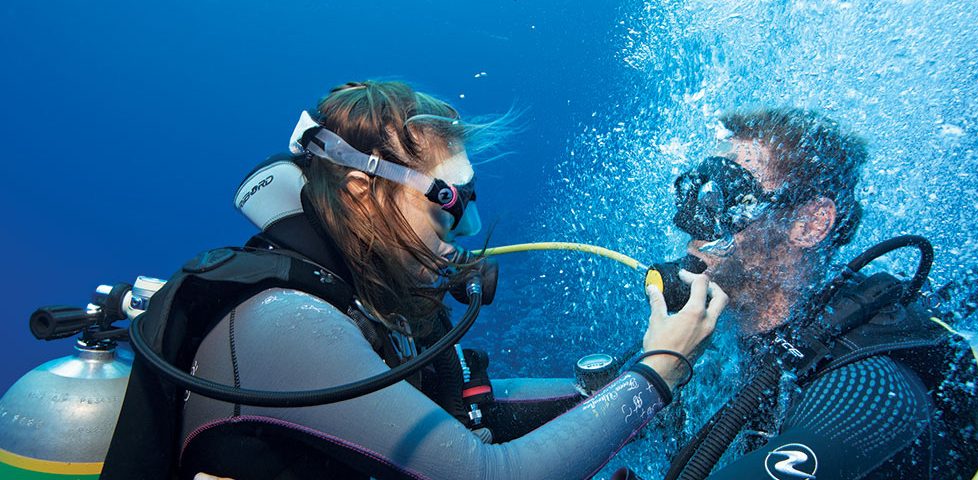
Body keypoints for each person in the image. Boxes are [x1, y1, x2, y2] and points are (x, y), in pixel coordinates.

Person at [100, 81, 728, 480]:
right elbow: (483, 476)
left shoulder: (367, 302)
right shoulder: (285, 321)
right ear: (359, 191)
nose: (464, 229)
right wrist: (656, 374)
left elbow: (461, 409)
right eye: (446, 204)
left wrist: (614, 387)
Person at [656, 108, 978, 479]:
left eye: (726, 195)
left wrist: (649, 379)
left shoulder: (867, 393)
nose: (691, 221)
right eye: (695, 193)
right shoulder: (717, 350)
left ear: (810, 224)